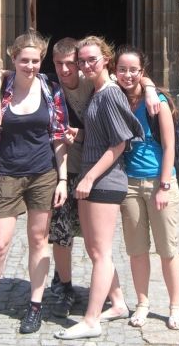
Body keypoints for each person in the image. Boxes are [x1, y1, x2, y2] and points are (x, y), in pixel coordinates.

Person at [0, 38, 161, 320]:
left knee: (96, 244)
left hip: (94, 171)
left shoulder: (93, 81)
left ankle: (115, 300)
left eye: (71, 63)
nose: (65, 69)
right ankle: (64, 287)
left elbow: (130, 76)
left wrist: (150, 89)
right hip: (64, 169)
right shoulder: (49, 83)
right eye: (59, 63)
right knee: (62, 235)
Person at [0, 30, 69, 335]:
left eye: (35, 60)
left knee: (38, 240)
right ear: (14, 59)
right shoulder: (1, 90)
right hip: (6, 174)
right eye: (25, 60)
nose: (30, 66)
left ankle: (35, 306)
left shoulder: (51, 89)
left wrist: (62, 179)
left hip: (43, 174)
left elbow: (59, 137)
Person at [54, 36, 143, 341]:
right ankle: (117, 303)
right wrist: (78, 134)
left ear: (106, 59)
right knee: (95, 250)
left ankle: (91, 320)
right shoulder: (97, 92)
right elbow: (102, 135)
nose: (86, 65)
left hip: (105, 181)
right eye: (82, 61)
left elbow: (119, 143)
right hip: (94, 179)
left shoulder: (110, 94)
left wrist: (89, 178)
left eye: (92, 59)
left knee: (101, 253)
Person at [114, 45, 179, 330]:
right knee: (137, 250)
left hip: (158, 181)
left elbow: (170, 146)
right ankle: (142, 303)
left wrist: (164, 186)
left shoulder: (157, 101)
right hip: (129, 184)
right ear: (115, 71)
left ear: (142, 71)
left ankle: (175, 305)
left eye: (133, 70)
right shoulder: (117, 97)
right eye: (122, 69)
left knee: (167, 249)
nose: (128, 74)